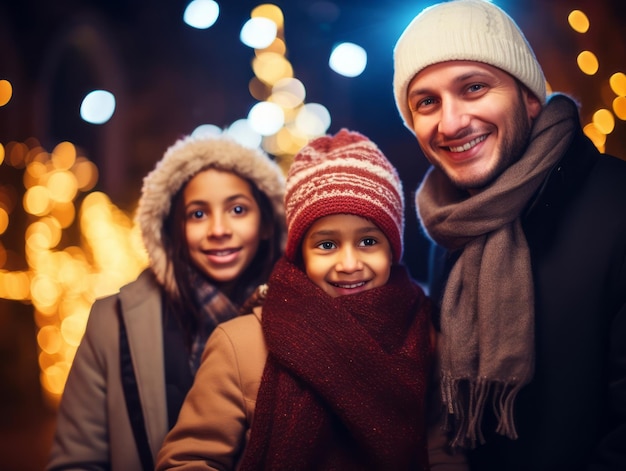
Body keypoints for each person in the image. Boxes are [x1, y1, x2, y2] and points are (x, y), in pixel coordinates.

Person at [392, 1, 626, 470]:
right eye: (427, 102)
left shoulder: (616, 204)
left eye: (474, 87)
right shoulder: (450, 229)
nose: (452, 122)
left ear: (530, 96)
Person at [155, 128, 447, 470]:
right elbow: (190, 460)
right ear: (301, 255)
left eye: (369, 242)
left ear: (393, 249)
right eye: (327, 245)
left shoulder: (421, 336)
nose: (350, 264)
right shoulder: (241, 344)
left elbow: (440, 453)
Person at [46, 133, 286, 471]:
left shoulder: (296, 317)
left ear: (265, 223)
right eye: (198, 214)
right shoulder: (112, 321)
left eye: (237, 209)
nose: (219, 229)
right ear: (173, 228)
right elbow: (77, 460)